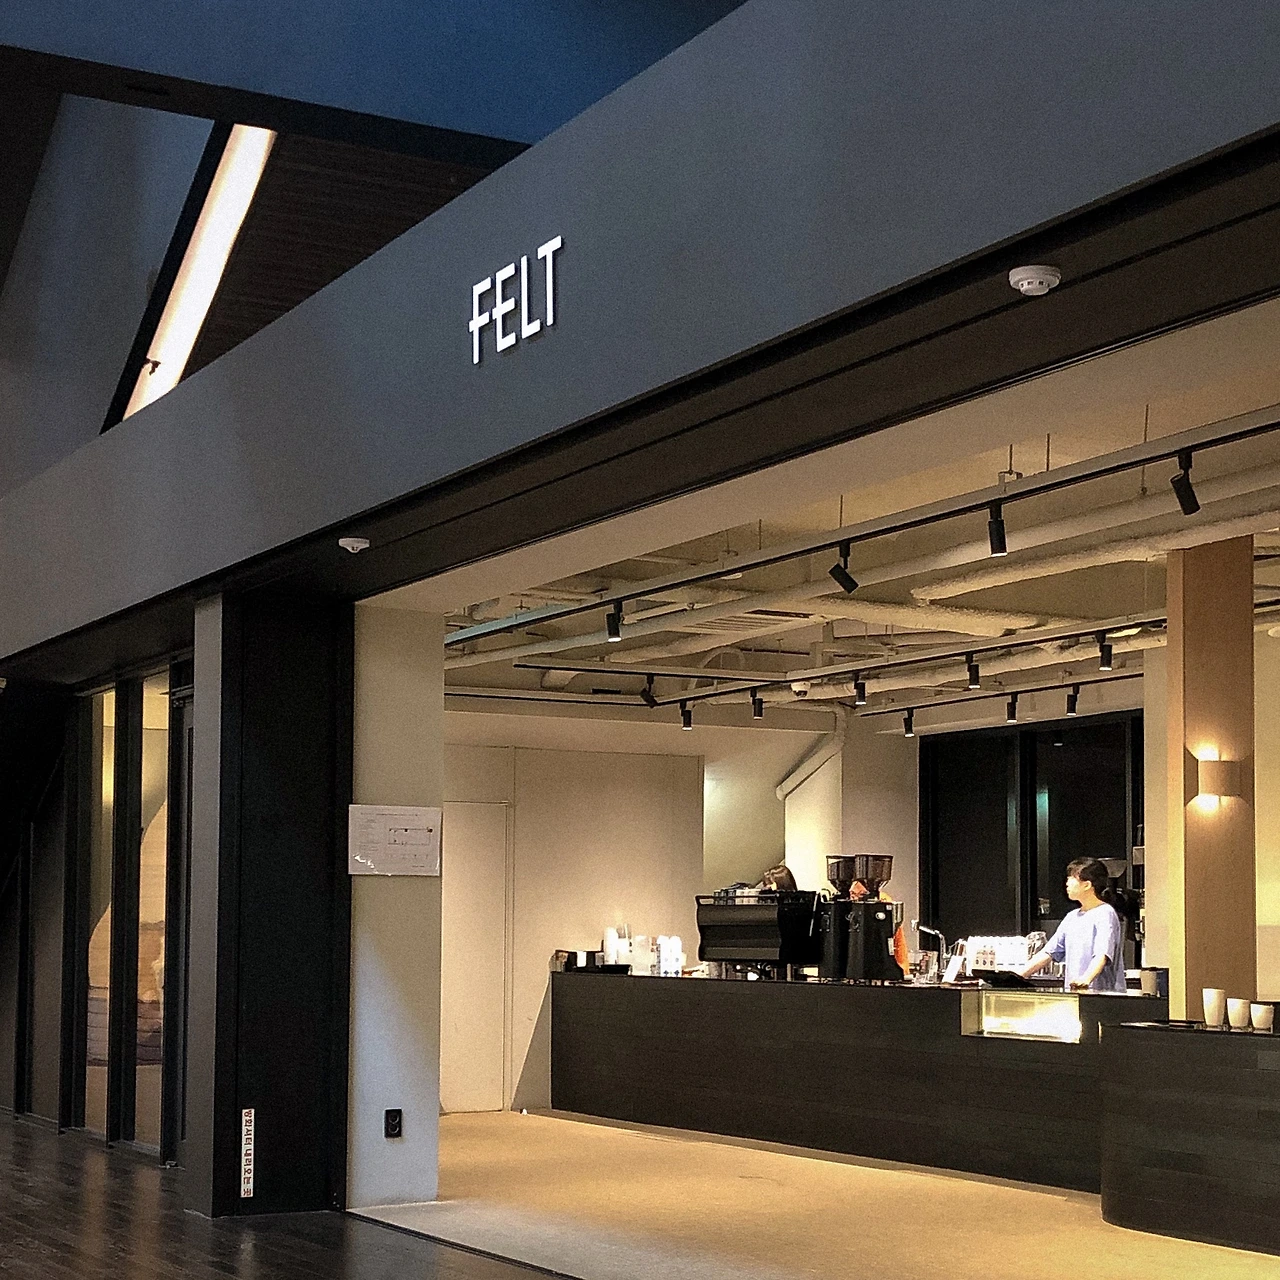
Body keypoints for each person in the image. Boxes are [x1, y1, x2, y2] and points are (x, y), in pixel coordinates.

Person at [1017, 858, 1127, 993]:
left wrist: (1086, 979)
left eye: (1071, 878)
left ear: (1087, 885)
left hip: (1101, 995)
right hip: (1076, 994)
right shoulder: (1071, 917)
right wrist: (1017, 976)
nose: (1067, 883)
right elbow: (1048, 952)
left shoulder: (1105, 913)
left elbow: (1102, 954)